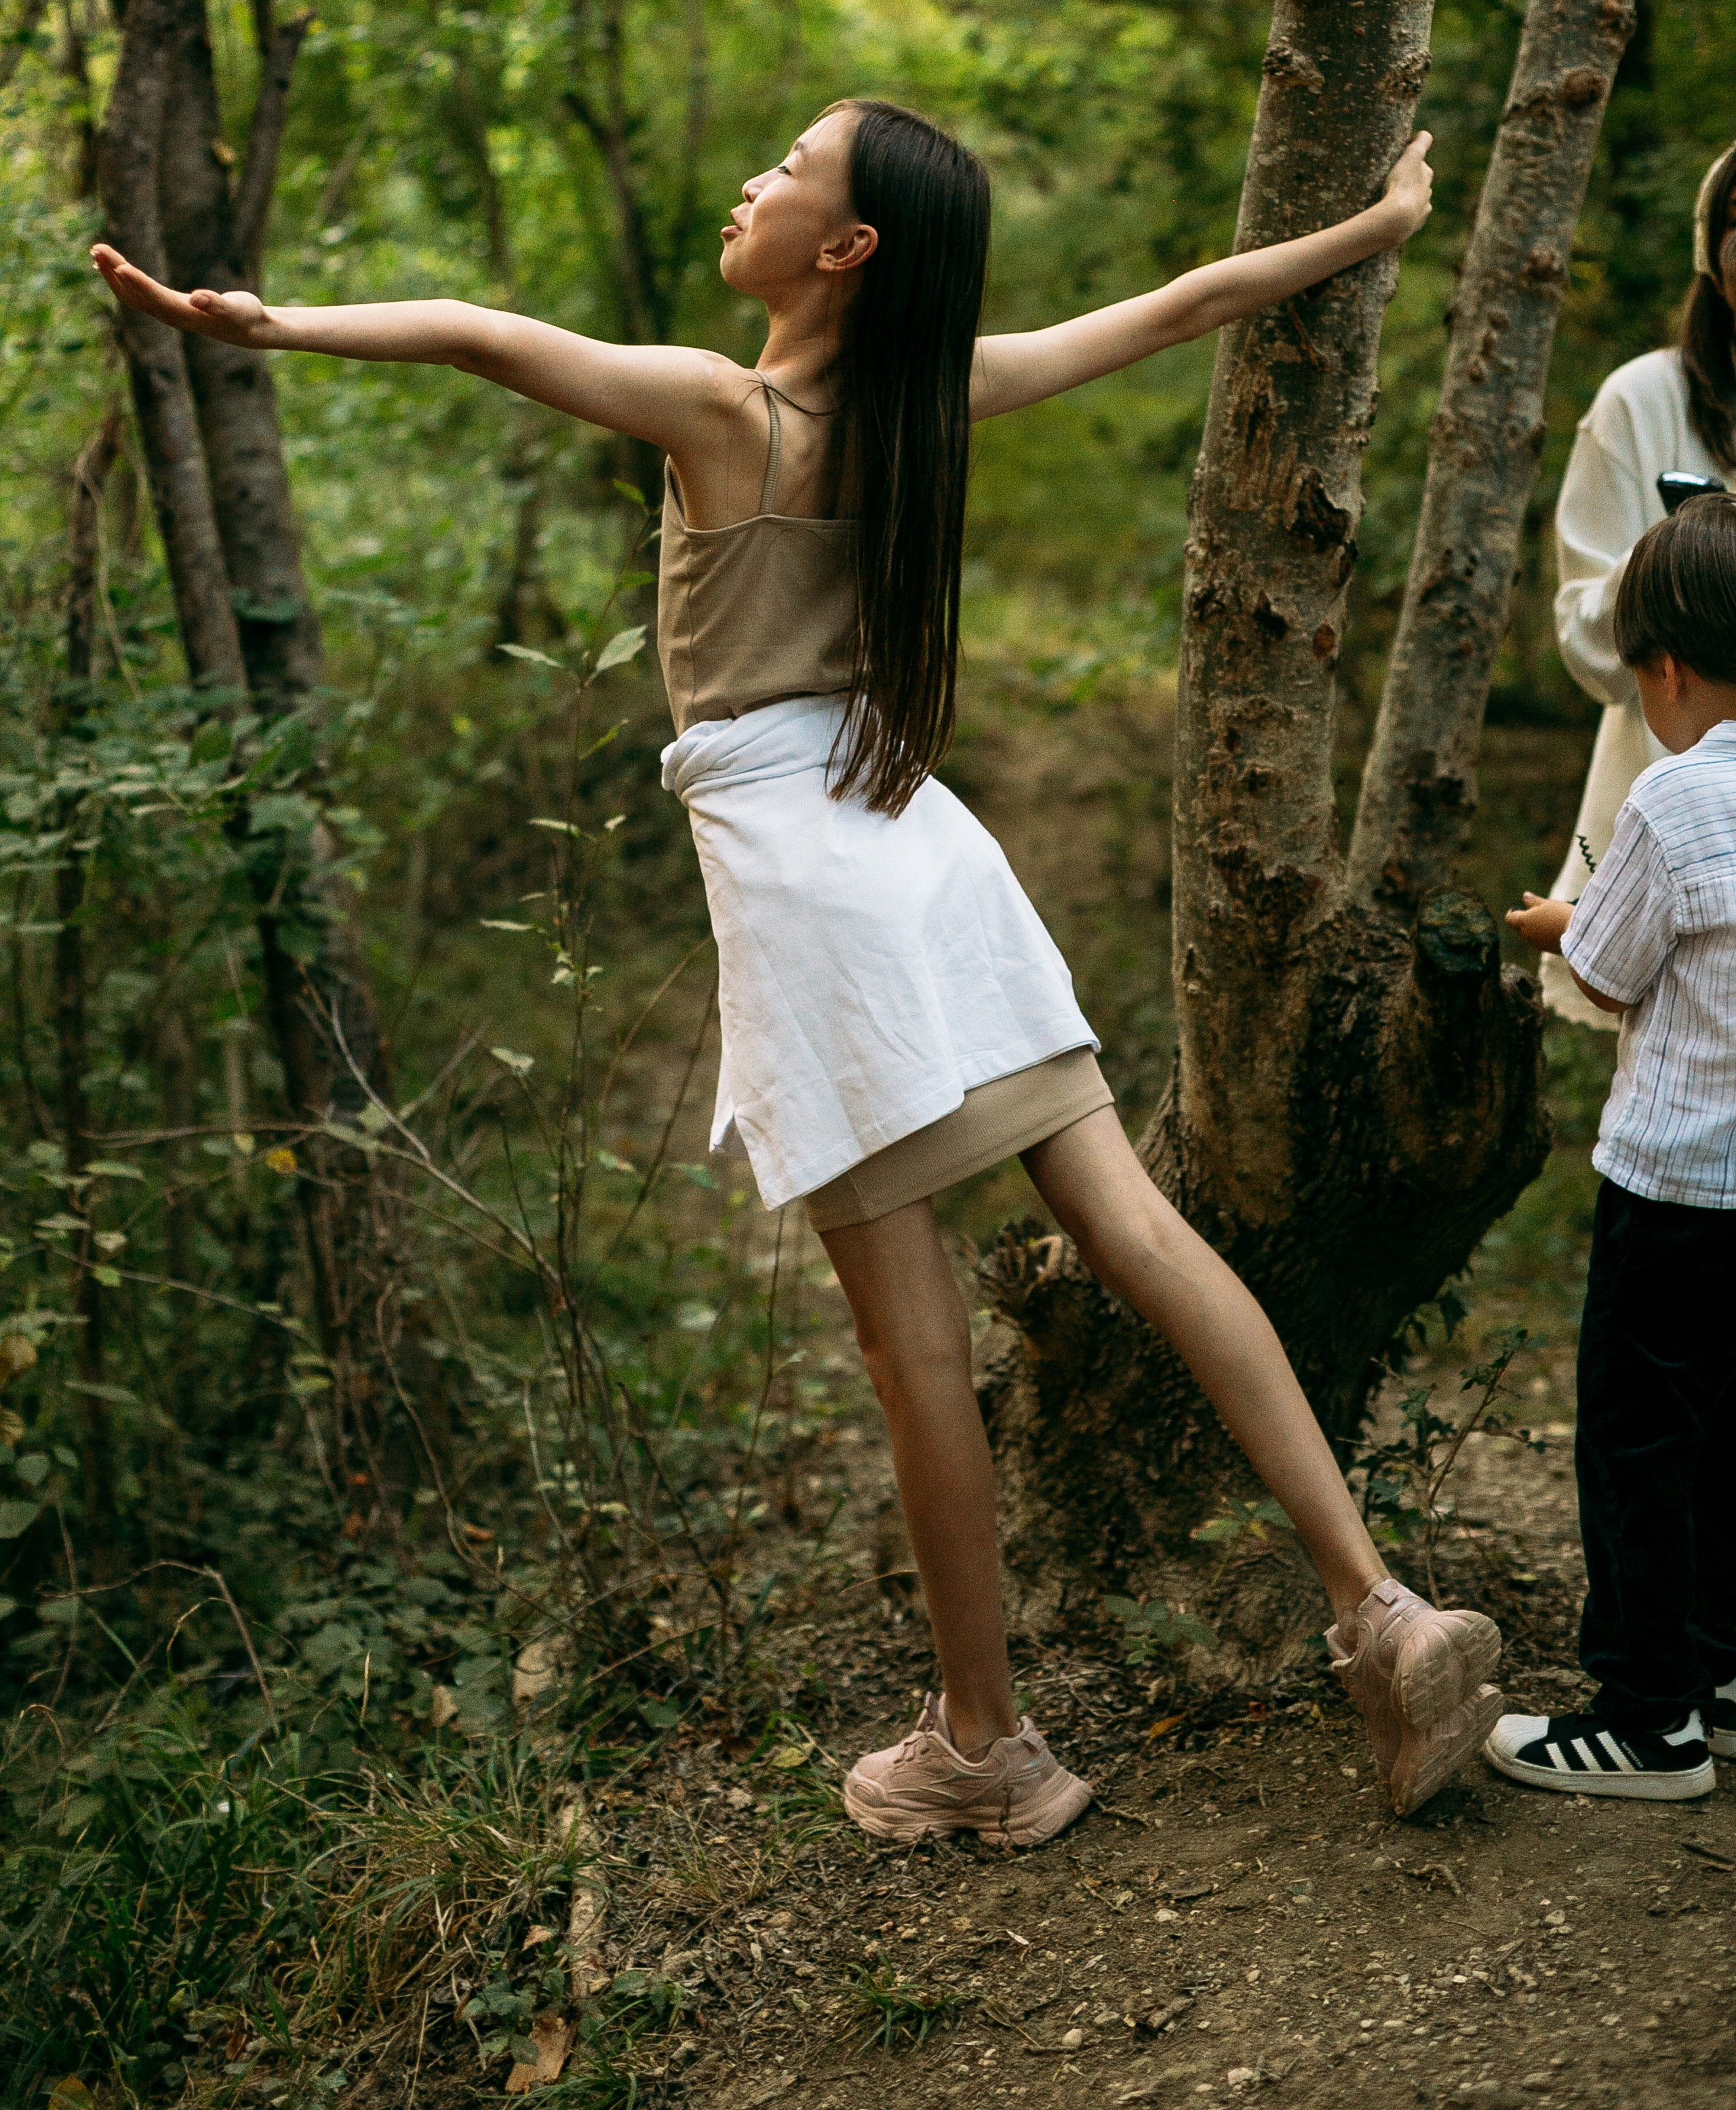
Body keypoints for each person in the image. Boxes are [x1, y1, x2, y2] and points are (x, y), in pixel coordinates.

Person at [92, 98, 1503, 1839]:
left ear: (844, 252)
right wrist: (1375, 230)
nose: (751, 177)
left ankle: (985, 1746)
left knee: (916, 1352)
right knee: (1138, 1227)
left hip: (811, 881)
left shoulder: (725, 407)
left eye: (789, 171)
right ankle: (1380, 1607)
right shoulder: (924, 401)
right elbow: (1184, 307)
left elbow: (479, 336)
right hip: (926, 842)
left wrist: (263, 325)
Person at [1497, 492, 1736, 1801]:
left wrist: (1553, 924)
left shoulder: (1672, 800)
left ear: (1669, 669)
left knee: (1642, 1439)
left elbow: (1603, 966)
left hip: (1677, 1188)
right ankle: (1726, 1661)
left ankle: (1651, 1717)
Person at [1543, 143, 1736, 1027]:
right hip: (1677, 814)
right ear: (1714, 248)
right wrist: (1677, 552)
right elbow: (1591, 649)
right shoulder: (1644, 401)